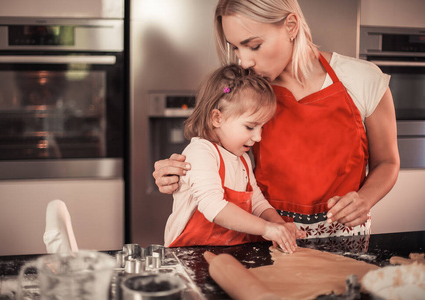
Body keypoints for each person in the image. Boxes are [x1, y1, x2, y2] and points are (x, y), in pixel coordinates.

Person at [155, 0, 399, 240]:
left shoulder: (363, 80)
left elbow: (387, 162)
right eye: (236, 48)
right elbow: (218, 154)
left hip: (345, 237)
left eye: (254, 45)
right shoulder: (245, 92)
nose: (244, 61)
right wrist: (178, 173)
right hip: (269, 236)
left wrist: (364, 199)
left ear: (291, 26)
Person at [165, 64, 305, 252]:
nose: (258, 137)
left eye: (261, 127)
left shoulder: (241, 158)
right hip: (187, 253)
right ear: (217, 118)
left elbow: (257, 201)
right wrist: (266, 229)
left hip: (226, 252)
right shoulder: (201, 152)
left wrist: (279, 225)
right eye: (250, 127)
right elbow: (213, 206)